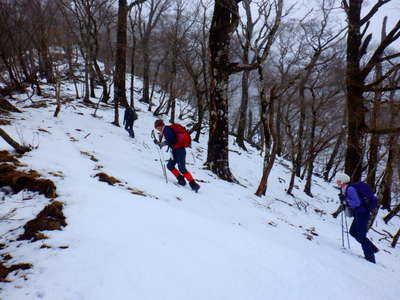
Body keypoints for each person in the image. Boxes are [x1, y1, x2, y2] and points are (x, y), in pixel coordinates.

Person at [336, 173, 379, 263]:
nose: (336, 182)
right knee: (353, 232)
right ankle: (372, 248)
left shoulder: (350, 189)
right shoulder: (345, 189)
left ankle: (370, 257)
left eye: (338, 180)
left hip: (362, 213)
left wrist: (345, 202)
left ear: (342, 181)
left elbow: (356, 203)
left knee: (361, 235)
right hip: (359, 213)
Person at [153, 119, 200, 192]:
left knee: (182, 168)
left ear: (159, 126)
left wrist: (162, 144)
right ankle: (181, 180)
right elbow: (170, 140)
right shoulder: (166, 130)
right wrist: (161, 143)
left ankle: (193, 184)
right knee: (170, 166)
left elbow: (172, 140)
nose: (157, 129)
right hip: (174, 150)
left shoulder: (167, 130)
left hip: (180, 150)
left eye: (157, 127)